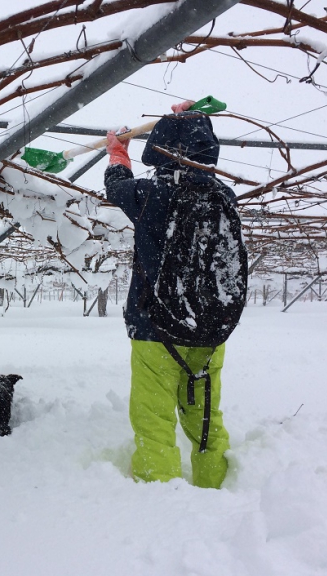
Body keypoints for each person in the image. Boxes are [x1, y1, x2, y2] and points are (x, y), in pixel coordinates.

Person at [104, 100, 234, 489]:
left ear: (156, 149)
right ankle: (216, 483)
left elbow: (117, 188)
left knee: (153, 416)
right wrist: (187, 121)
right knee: (205, 415)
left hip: (154, 328)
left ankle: (158, 493)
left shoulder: (150, 194)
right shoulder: (225, 197)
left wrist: (117, 154)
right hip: (209, 330)